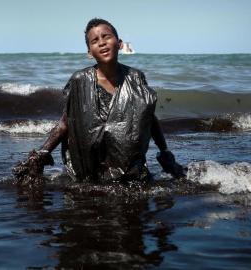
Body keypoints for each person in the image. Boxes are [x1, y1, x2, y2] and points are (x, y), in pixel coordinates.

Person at [13, 18, 185, 184]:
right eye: (95, 40)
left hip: (130, 172)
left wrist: (164, 151)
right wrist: (42, 153)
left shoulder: (135, 77)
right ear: (89, 52)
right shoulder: (79, 80)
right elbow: (66, 122)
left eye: (106, 37)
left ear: (119, 43)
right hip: (90, 172)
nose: (102, 42)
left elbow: (148, 117)